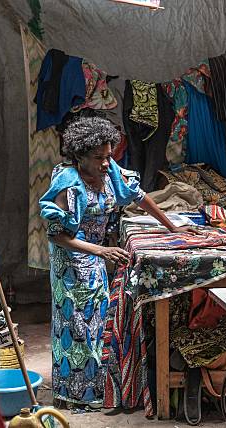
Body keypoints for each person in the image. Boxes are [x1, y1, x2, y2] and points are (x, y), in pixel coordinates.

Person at [39, 116, 196, 407]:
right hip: (71, 263)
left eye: (109, 156)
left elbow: (140, 196)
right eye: (98, 158)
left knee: (98, 324)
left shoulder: (110, 172)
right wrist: (101, 252)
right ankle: (75, 395)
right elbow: (57, 236)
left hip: (96, 259)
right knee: (76, 327)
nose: (105, 163)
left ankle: (100, 390)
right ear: (79, 156)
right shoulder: (67, 183)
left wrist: (171, 226)